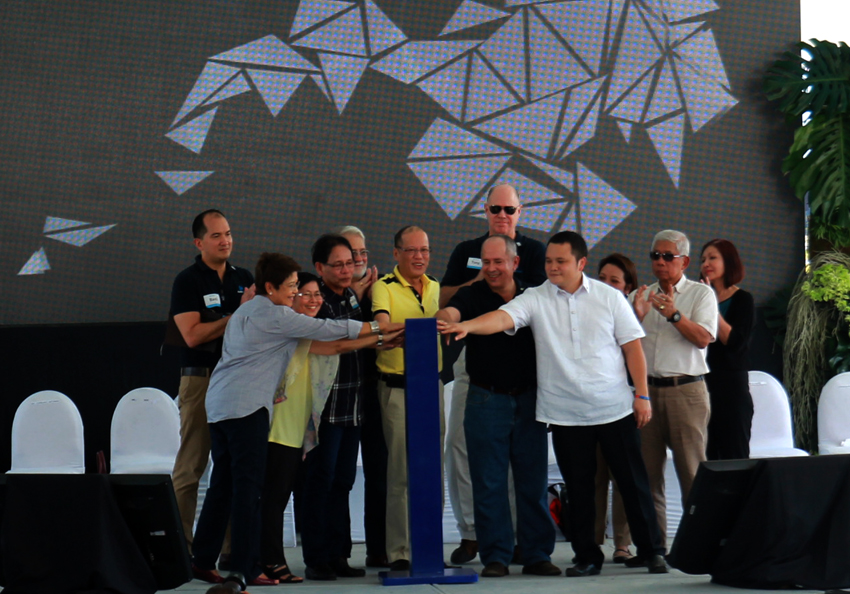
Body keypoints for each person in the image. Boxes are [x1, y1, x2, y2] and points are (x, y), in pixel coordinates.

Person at [438, 231, 667, 577]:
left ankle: (652, 552)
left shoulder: (608, 297)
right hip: (565, 413)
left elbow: (632, 347)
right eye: (548, 261)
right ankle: (587, 556)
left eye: (561, 261)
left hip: (614, 407)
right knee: (578, 489)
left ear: (581, 263)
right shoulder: (536, 298)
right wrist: (466, 326)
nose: (553, 267)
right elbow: (502, 318)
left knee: (632, 482)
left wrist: (642, 394)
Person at [191, 252, 403, 591]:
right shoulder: (276, 316)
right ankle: (243, 572)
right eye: (291, 286)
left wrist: (377, 337)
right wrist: (381, 326)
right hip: (247, 409)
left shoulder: (245, 310)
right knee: (249, 491)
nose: (295, 293)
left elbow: (328, 344)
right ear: (270, 287)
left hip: (220, 405)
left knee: (224, 486)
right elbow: (327, 328)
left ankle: (202, 561)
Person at [260, 272, 402, 583]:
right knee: (278, 495)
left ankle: (313, 557)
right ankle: (273, 562)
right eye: (304, 293)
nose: (312, 300)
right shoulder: (288, 325)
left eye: (315, 295)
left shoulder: (307, 325)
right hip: (277, 425)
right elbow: (336, 344)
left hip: (302, 423)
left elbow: (337, 346)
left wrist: (381, 339)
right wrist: (383, 332)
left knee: (313, 488)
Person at [436, 235, 558, 578]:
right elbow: (451, 311)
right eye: (485, 262)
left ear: (514, 263)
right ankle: (496, 556)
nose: (490, 268)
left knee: (532, 482)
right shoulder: (472, 294)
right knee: (487, 481)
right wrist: (444, 317)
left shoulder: (536, 294)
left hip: (530, 399)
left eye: (498, 262)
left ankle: (536, 554)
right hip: (484, 398)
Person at [166, 209, 254, 557]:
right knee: (191, 467)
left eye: (229, 233)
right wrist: (237, 316)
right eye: (217, 235)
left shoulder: (244, 277)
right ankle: (180, 550)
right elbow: (191, 335)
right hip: (201, 381)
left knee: (234, 467)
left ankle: (233, 551)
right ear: (199, 242)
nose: (226, 240)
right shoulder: (188, 280)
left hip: (238, 383)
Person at [631, 230, 718, 547]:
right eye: (656, 255)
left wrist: (674, 314)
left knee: (692, 473)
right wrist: (636, 316)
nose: (661, 262)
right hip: (647, 393)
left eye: (668, 256)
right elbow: (620, 344)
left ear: (684, 261)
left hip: (686, 392)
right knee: (648, 474)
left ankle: (699, 546)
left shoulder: (700, 295)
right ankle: (655, 547)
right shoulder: (640, 296)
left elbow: (704, 339)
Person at [299, 234, 372, 580]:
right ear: (319, 268)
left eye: (351, 263)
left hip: (352, 406)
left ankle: (339, 553)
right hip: (325, 409)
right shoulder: (318, 301)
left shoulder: (351, 298)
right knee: (320, 481)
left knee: (343, 481)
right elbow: (340, 341)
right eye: (338, 264)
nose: (346, 270)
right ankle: (317, 557)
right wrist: (384, 334)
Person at [371, 225, 442, 571]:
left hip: (432, 388)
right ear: (396, 253)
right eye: (412, 250)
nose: (419, 257)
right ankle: (399, 550)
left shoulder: (438, 288)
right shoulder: (382, 287)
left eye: (425, 250)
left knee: (432, 470)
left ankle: (429, 545)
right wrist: (411, 330)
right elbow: (383, 329)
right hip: (397, 387)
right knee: (399, 473)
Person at [338, 225, 389, 568]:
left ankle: (380, 548)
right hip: (338, 395)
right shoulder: (324, 293)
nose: (358, 260)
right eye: (351, 254)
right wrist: (354, 297)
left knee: (381, 471)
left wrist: (367, 297)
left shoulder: (383, 287)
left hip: (374, 389)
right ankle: (336, 552)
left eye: (363, 253)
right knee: (339, 475)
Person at [595, 253, 639, 563]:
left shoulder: (635, 315)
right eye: (602, 279)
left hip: (625, 407)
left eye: (615, 281)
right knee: (595, 477)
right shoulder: (584, 311)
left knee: (624, 478)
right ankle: (592, 543)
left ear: (628, 287)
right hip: (594, 407)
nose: (607, 286)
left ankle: (622, 544)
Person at [700, 239, 755, 460]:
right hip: (703, 386)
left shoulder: (743, 299)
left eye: (713, 258)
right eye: (703, 259)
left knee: (735, 456)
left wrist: (711, 305)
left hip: (731, 390)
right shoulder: (699, 297)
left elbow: (733, 342)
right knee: (707, 456)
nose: (706, 263)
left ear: (728, 262)